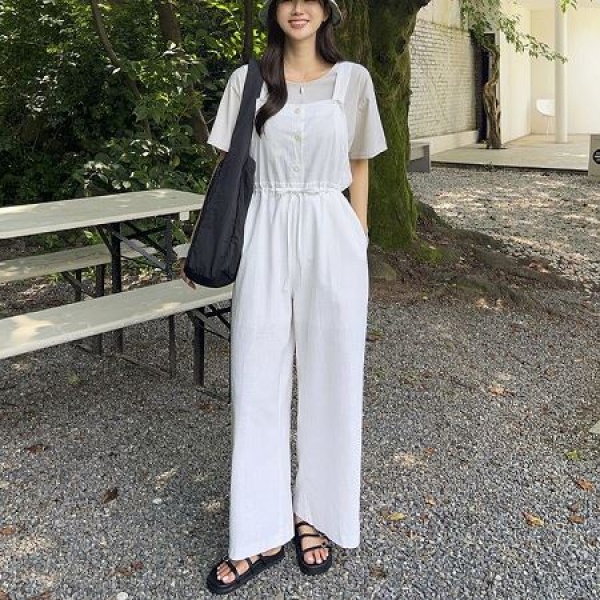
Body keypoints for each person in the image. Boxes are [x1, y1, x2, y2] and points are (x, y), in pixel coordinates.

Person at [184, 0, 388, 594]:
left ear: (328, 10)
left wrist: (358, 237)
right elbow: (229, 168)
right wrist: (208, 244)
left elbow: (360, 163)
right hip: (264, 228)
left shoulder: (353, 80)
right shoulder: (247, 81)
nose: (298, 8)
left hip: (332, 230)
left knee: (333, 378)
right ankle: (259, 530)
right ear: (275, 9)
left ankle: (317, 513)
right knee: (255, 377)